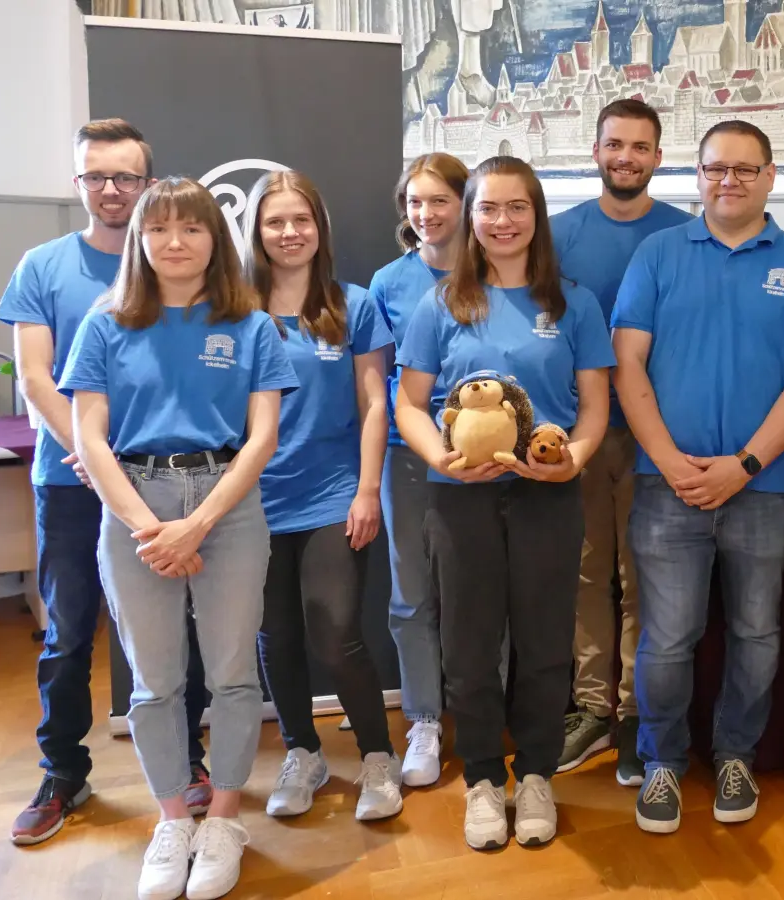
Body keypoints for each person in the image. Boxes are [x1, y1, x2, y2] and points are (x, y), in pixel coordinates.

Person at [59, 177, 297, 900]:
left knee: (231, 675)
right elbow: (89, 438)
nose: (175, 242)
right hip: (135, 501)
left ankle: (223, 817)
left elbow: (261, 439)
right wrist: (149, 526)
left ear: (213, 239)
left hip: (228, 504)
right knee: (155, 682)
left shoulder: (251, 324)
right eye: (158, 229)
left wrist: (196, 523)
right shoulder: (106, 323)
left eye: (190, 229)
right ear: (139, 239)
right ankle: (173, 819)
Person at [0, 118, 215, 847]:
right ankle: (63, 772)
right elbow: (35, 376)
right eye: (97, 176)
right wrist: (92, 457)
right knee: (67, 635)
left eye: (125, 176)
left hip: (168, 488)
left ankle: (189, 763)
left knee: (176, 632)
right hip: (69, 483)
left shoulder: (183, 272)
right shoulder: (42, 265)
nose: (112, 189)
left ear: (149, 184)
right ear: (78, 184)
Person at [612, 120, 784, 835]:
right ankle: (662, 763)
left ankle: (735, 753)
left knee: (755, 632)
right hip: (665, 484)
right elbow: (628, 366)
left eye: (744, 169)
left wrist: (743, 467)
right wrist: (672, 462)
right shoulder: (656, 254)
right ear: (697, 175)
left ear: (771, 176)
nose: (727, 181)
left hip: (762, 489)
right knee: (668, 637)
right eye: (714, 169)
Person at [395, 155, 613, 851]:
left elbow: (595, 408)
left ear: (536, 216)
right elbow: (408, 403)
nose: (502, 221)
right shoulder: (442, 303)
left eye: (517, 207)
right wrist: (442, 459)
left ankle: (540, 772)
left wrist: (572, 462)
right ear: (470, 217)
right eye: (489, 208)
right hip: (459, 497)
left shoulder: (573, 303)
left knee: (547, 640)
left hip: (548, 495)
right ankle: (486, 778)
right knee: (469, 641)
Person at [243, 170, 402, 822]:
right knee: (274, 637)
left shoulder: (354, 304)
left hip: (334, 494)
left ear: (320, 228)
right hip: (248, 502)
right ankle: (302, 752)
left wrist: (367, 492)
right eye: (275, 221)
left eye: (300, 220)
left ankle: (376, 757)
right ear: (255, 232)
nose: (289, 233)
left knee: (336, 634)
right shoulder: (232, 308)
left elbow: (374, 406)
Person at [550, 98, 693, 782]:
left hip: (656, 433)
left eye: (640, 147)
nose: (626, 158)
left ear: (658, 157)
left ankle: (638, 711)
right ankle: (591, 708)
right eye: (615, 145)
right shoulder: (557, 234)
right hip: (579, 431)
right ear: (597, 149)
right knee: (585, 568)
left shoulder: (686, 236)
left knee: (642, 576)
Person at [369, 151, 469, 788]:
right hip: (407, 458)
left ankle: (488, 704)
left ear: (466, 201)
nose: (426, 214)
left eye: (439, 200)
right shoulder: (388, 283)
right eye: (415, 202)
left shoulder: (500, 273)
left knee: (479, 592)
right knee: (411, 596)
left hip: (485, 462)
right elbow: (380, 388)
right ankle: (425, 721)